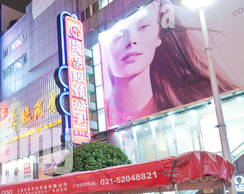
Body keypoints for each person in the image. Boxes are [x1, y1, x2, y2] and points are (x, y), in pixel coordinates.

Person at [99, 0, 237, 128]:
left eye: (143, 27)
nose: (131, 41)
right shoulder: (101, 117)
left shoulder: (190, 96)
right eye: (119, 36)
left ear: (158, 35)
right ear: (104, 48)